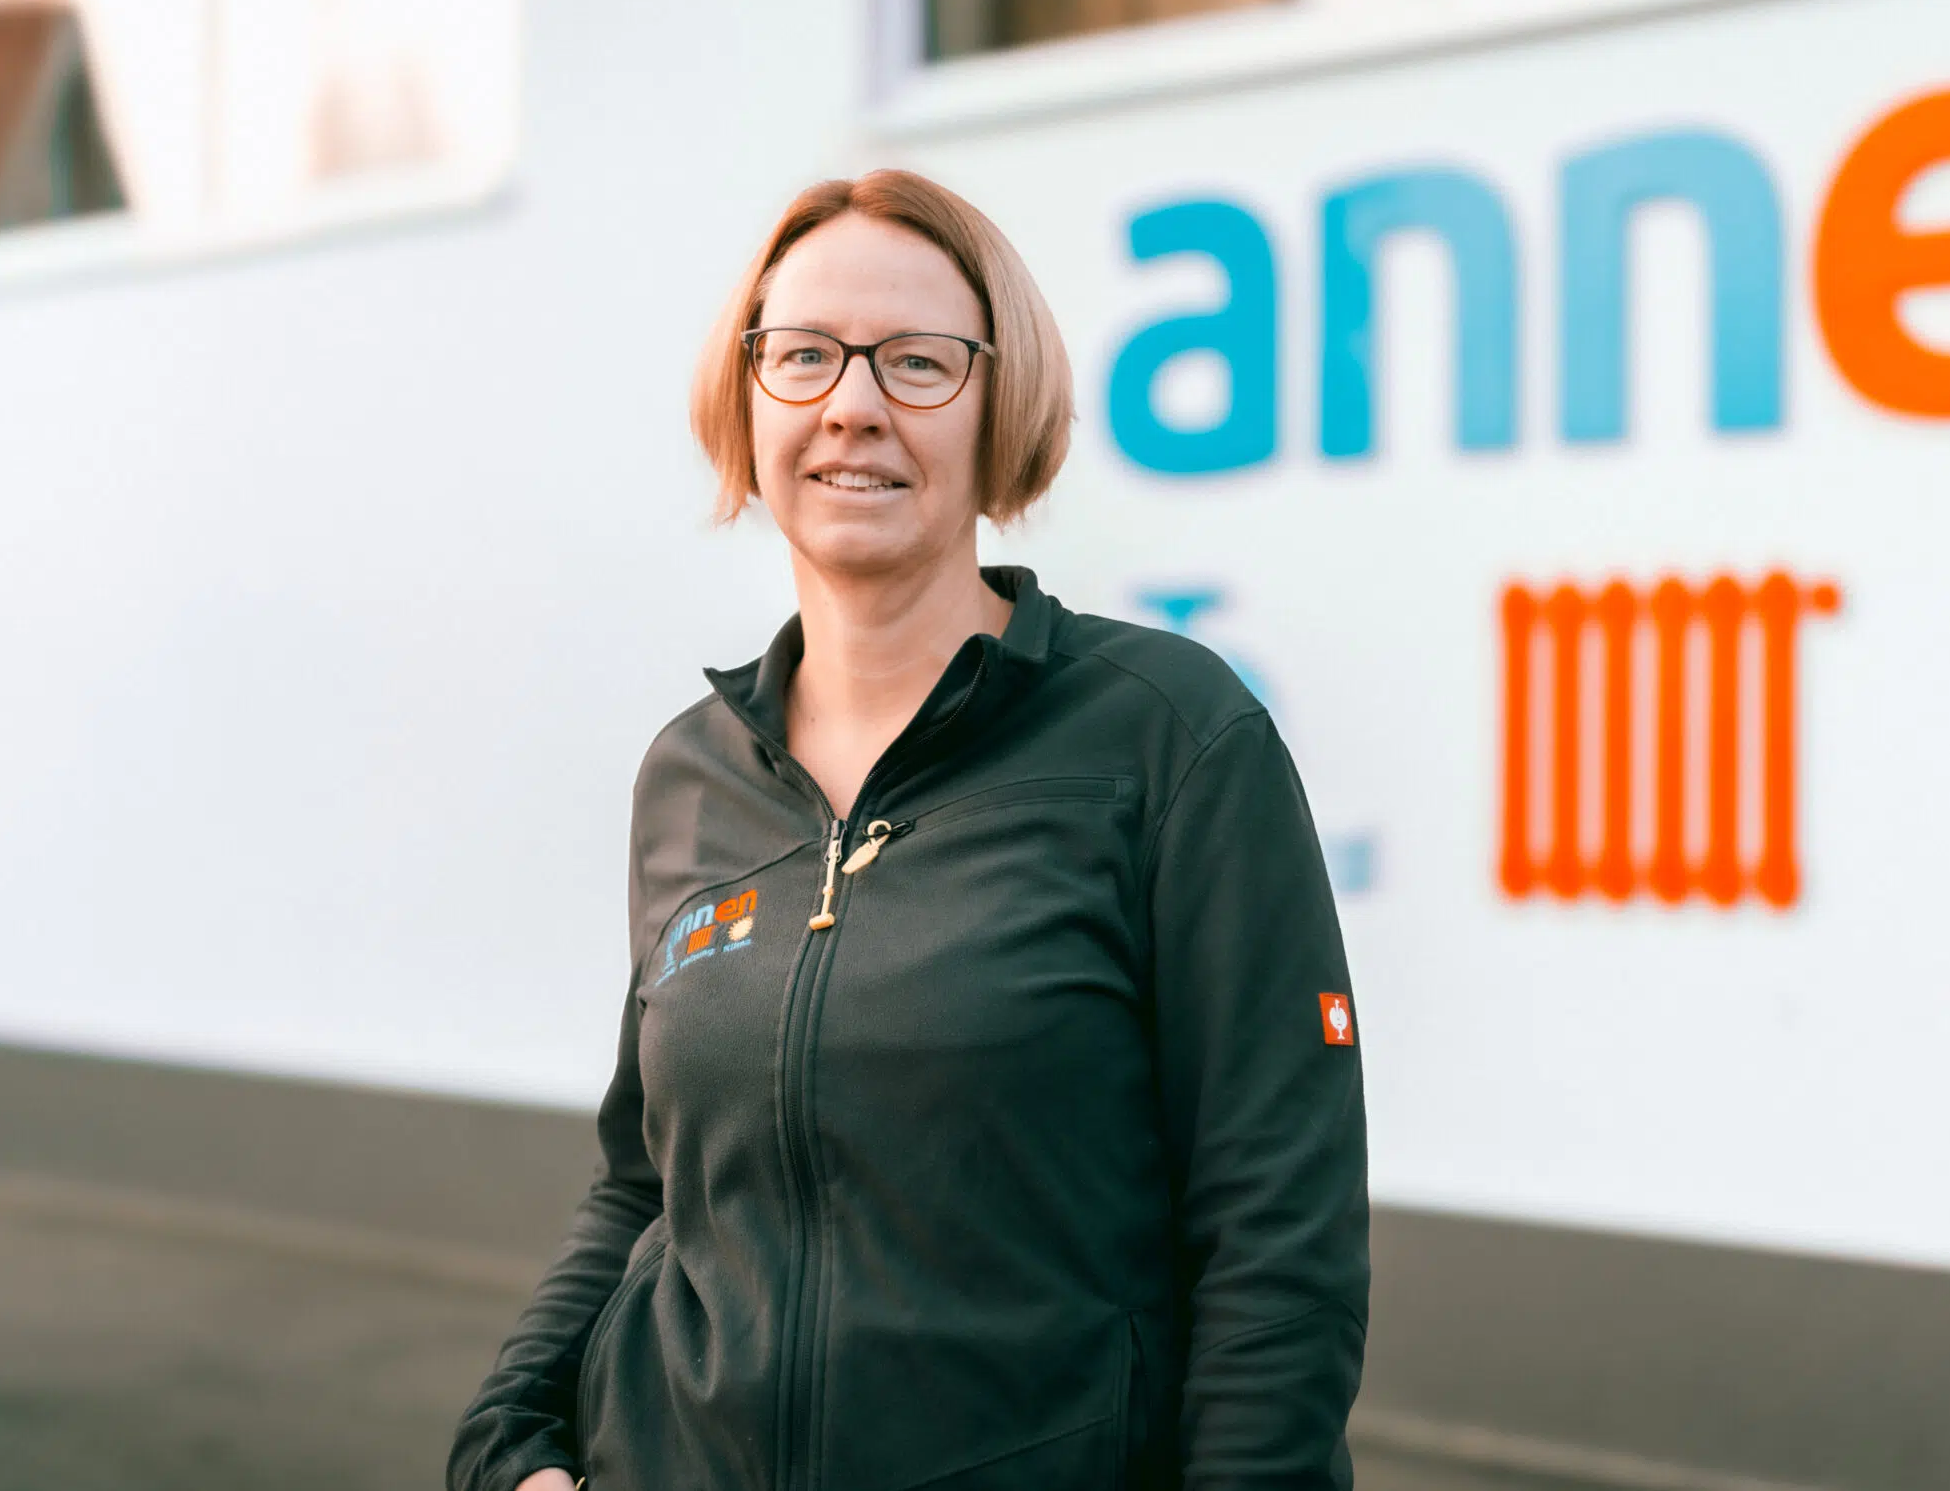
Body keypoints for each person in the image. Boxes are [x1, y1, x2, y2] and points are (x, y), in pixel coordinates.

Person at [449, 170, 1369, 1491]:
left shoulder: (1170, 739)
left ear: (1001, 406)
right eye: (805, 355)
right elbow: (645, 1190)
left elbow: (1278, 1239)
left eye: (918, 361)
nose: (853, 404)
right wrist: (508, 1442)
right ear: (750, 396)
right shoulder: (689, 777)